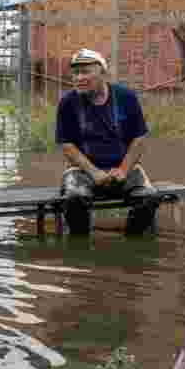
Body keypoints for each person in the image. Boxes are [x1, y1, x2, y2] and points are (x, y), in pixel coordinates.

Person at [55, 48, 158, 235]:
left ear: (103, 73)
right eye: (76, 73)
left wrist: (124, 169)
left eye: (86, 72)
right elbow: (67, 145)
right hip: (82, 172)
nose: (79, 78)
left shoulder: (126, 97)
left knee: (148, 198)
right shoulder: (68, 103)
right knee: (75, 198)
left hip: (123, 168)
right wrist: (94, 172)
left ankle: (131, 245)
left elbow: (139, 138)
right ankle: (81, 247)